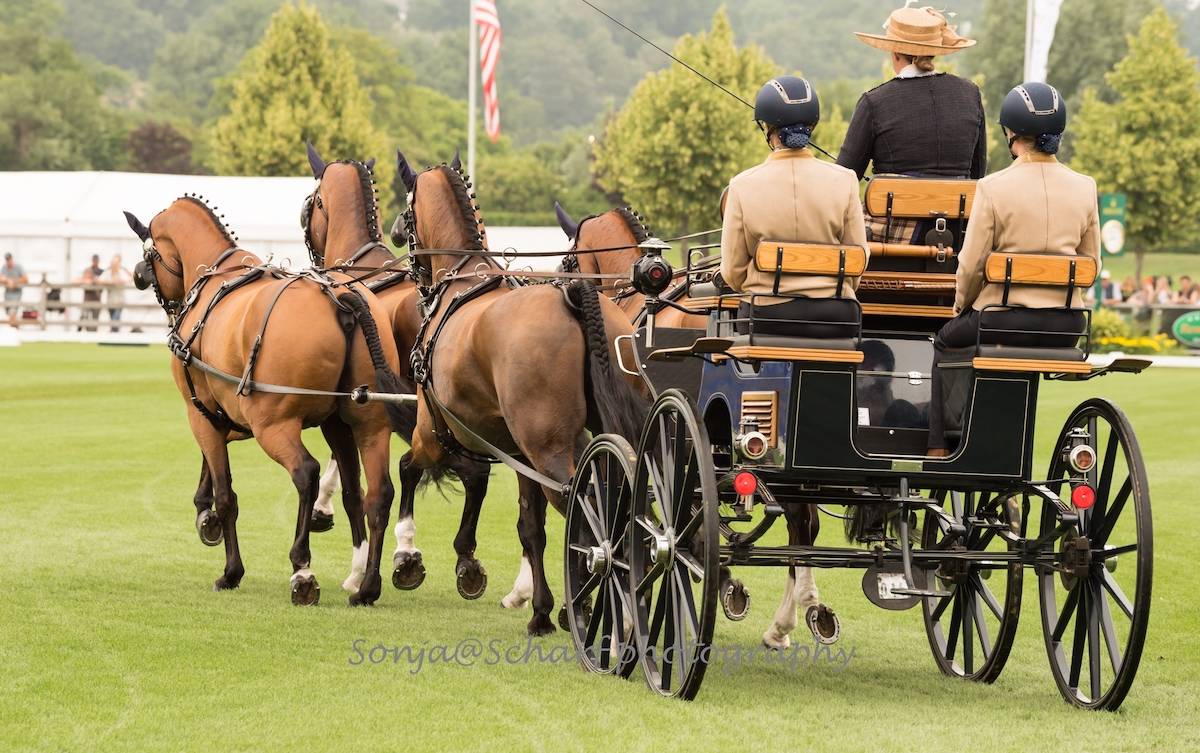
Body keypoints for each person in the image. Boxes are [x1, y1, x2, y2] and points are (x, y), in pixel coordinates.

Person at [928, 82, 1099, 456]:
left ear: (1011, 132)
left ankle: (940, 446)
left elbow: (971, 265)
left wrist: (962, 306)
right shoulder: (1085, 187)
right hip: (1068, 326)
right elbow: (1092, 264)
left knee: (945, 339)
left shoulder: (994, 187)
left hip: (1002, 319)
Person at [720, 76, 869, 338]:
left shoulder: (742, 185)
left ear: (767, 128)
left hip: (766, 315)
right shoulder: (845, 180)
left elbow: (733, 272)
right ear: (812, 126)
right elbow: (858, 259)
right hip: (837, 316)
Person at [838, 6, 987, 241]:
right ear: (934, 52)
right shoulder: (970, 94)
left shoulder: (875, 102)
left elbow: (844, 180)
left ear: (894, 51)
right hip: (956, 240)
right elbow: (978, 172)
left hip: (891, 245)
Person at [105, 254, 131, 332]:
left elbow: (128, 279)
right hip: (110, 300)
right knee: (113, 318)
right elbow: (99, 280)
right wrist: (110, 282)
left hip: (119, 300)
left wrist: (117, 281)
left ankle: (113, 332)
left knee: (115, 318)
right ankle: (114, 332)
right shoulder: (108, 272)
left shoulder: (122, 272)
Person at [78, 254, 103, 332]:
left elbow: (102, 281)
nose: (95, 262)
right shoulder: (88, 269)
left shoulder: (101, 271)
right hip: (87, 300)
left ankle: (92, 332)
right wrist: (88, 280)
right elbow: (80, 279)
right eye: (94, 260)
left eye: (96, 260)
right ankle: (83, 330)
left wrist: (94, 281)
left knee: (95, 320)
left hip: (96, 299)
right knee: (84, 317)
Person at [3, 252, 28, 327]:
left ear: (12, 259)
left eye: (9, 259)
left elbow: (25, 279)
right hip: (7, 293)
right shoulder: (4, 267)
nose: (8, 261)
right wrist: (7, 280)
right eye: (7, 260)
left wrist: (14, 281)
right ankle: (15, 326)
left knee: (13, 310)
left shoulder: (18, 267)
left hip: (16, 293)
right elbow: (1, 277)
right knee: (9, 311)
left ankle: (13, 327)